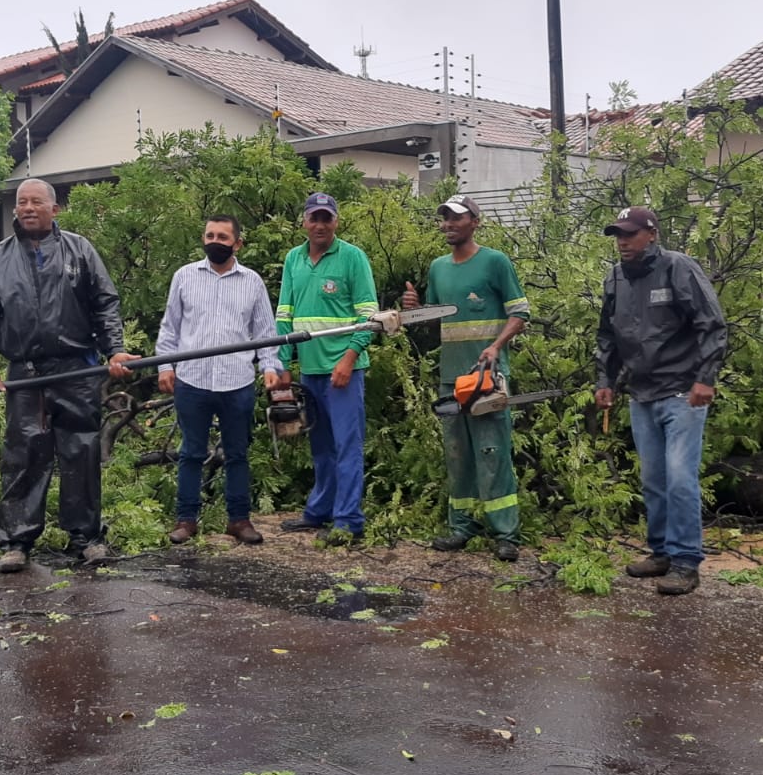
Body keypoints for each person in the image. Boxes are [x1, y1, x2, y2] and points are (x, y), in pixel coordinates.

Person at [0, 178, 135, 573]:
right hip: (25, 373)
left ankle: (86, 537)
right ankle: (16, 541)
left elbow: (105, 303)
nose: (27, 208)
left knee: (81, 452)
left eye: (36, 202)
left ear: (54, 209)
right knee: (24, 455)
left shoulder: (80, 250)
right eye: (21, 202)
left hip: (76, 368)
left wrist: (114, 350)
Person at [593, 206, 728, 595]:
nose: (622, 242)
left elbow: (711, 324)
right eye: (618, 235)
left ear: (651, 234)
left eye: (630, 234)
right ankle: (662, 552)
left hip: (682, 390)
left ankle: (686, 562)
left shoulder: (678, 267)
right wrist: (605, 380)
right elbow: (607, 335)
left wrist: (705, 378)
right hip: (641, 392)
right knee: (653, 479)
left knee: (680, 477)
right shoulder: (616, 277)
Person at [401, 195, 530, 562]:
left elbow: (520, 313)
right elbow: (436, 319)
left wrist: (496, 346)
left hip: (487, 378)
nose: (448, 224)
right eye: (444, 218)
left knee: (492, 453)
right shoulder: (438, 268)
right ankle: (462, 527)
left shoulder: (495, 262)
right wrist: (415, 310)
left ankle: (505, 534)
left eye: (456, 218)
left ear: (475, 221)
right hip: (451, 379)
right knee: (457, 455)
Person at [156, 215, 287, 546]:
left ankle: (239, 520)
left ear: (237, 243)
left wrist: (270, 367)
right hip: (192, 380)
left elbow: (265, 332)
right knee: (191, 453)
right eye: (210, 235)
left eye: (223, 237)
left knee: (237, 453)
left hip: (237, 381)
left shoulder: (252, 282)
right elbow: (170, 327)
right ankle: (186, 520)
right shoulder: (184, 276)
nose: (215, 241)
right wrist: (165, 366)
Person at [275, 191, 379, 544]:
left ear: (336, 221)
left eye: (326, 218)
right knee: (320, 446)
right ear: (304, 221)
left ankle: (349, 521)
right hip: (310, 370)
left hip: (344, 372)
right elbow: (284, 315)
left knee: (347, 445)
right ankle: (319, 511)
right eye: (314, 218)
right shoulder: (294, 258)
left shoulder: (352, 257)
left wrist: (348, 359)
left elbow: (369, 317)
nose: (320, 225)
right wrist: (283, 363)